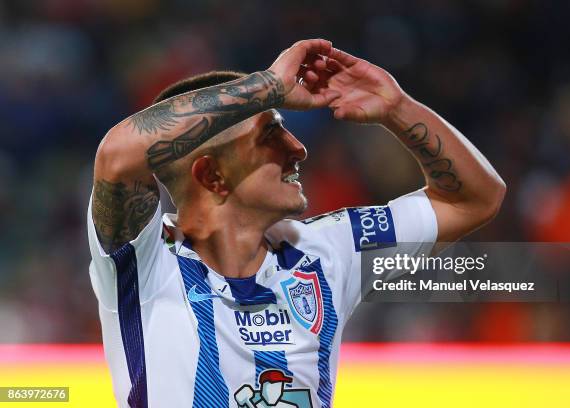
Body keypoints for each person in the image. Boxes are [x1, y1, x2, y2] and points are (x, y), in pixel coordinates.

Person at [87, 39, 505, 408]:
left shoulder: (327, 249)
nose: (298, 149)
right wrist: (267, 86)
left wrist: (397, 108)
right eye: (270, 136)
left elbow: (474, 199)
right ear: (212, 176)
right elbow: (119, 156)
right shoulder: (144, 268)